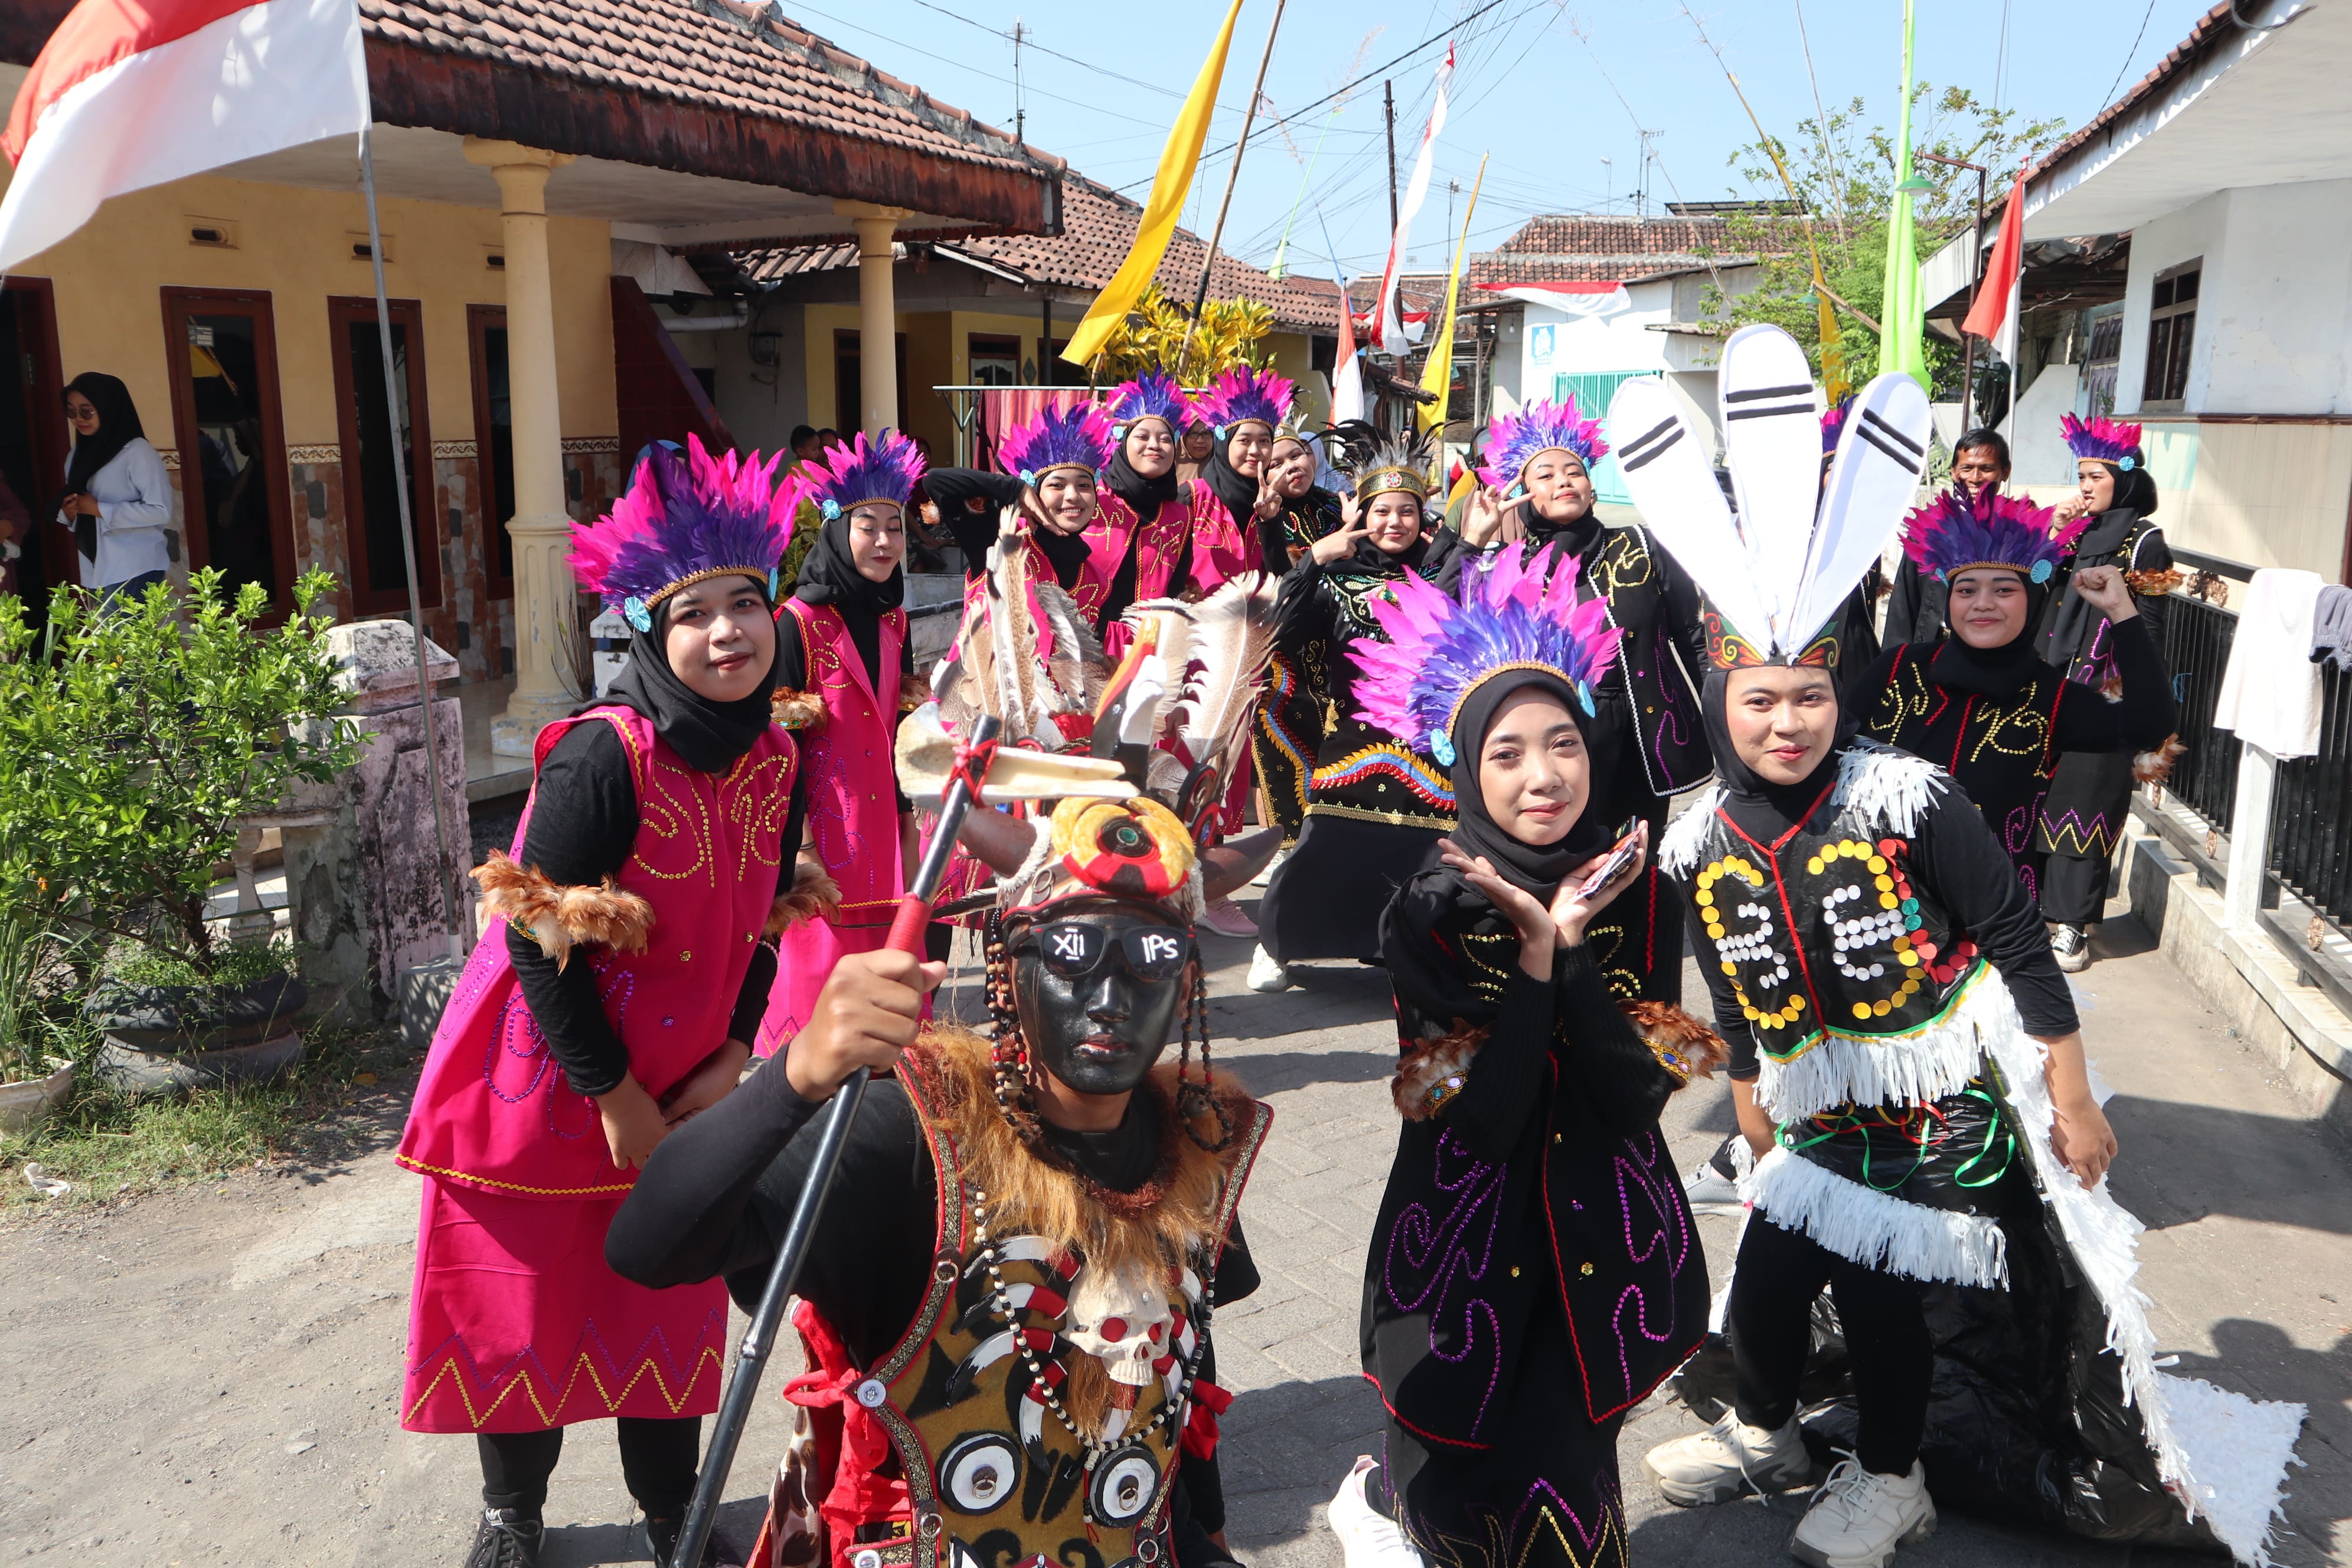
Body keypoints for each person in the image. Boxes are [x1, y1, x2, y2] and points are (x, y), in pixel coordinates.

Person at [1618, 335, 2300, 1568]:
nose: (1787, 720)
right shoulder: (1700, 832)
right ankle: (1772, 1429)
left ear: (1843, 694)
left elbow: (2015, 939)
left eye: (1810, 696)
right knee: (1766, 1285)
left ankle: (1890, 1479)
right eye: (1762, 698)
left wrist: (2075, 1094)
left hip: (1942, 1101)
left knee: (1884, 1292)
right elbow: (1731, 973)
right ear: (1724, 700)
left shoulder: (1912, 798)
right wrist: (1752, 1101)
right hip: (1818, 1097)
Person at [607, 710, 1274, 1568]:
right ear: (1007, 966)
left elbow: (1170, 1382)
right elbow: (648, 1245)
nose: (1111, 995)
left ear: (1188, 988)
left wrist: (1202, 1543)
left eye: (1149, 959)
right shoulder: (913, 1140)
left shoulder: (1195, 1146)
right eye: (1071, 951)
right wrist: (798, 1073)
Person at [396, 436, 811, 1568]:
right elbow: (534, 931)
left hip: (686, 1079)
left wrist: (732, 1051)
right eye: (693, 613)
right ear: (645, 628)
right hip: (549, 1071)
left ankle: (672, 1510)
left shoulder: (780, 753)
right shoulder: (600, 755)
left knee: (665, 1292)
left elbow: (766, 917)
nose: (726, 633)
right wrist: (614, 1094)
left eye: (745, 603)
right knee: (523, 1303)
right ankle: (512, 1515)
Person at [1326, 541, 1719, 1568]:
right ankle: (1382, 1501)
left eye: (1562, 745)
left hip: (1599, 1237)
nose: (1542, 777)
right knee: (1450, 1461)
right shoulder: (1430, 907)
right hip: (1464, 1242)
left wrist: (1569, 944)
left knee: (1566, 1480)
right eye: (1504, 754)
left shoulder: (1636, 889)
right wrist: (1536, 963)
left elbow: (1634, 1102)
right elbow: (1486, 1119)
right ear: (1462, 767)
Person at [1457, 395, 1711, 1001]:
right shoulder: (1508, 566)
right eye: (1544, 474)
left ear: (1593, 486)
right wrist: (1471, 541)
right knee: (1563, 855)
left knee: (1632, 859)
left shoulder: (1643, 548)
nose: (1563, 480)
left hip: (1643, 736)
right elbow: (1453, 622)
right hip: (1562, 743)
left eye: (1574, 470)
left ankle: (1632, 983)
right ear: (1523, 494)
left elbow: (1695, 637)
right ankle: (1560, 967)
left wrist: (1727, 720)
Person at [1850, 485, 2177, 903]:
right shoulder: (1898, 669)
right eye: (1966, 590)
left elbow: (2151, 727)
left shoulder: (2051, 698)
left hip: (1991, 924)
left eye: (2004, 590)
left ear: (2031, 600)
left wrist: (2121, 612)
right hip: (1871, 911)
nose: (1983, 603)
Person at [1250, 433, 1463, 991]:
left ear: (1424, 518)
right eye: (1383, 511)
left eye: (1408, 512)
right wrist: (1315, 560)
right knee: (1330, 845)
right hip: (1353, 738)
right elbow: (1280, 632)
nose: (1396, 523)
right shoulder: (1338, 580)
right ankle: (1276, 942)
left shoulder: (1439, 575)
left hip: (1425, 740)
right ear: (1363, 514)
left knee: (1420, 847)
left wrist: (1470, 541)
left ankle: (1396, 943)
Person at [756, 431, 928, 1056]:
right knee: (820, 962)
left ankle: (885, 1066)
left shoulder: (894, 619)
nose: (884, 541)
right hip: (821, 827)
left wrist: (911, 819)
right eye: (868, 527)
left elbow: (901, 726)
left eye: (895, 527)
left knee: (890, 948)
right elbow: (777, 750)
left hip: (886, 822)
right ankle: (805, 1077)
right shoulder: (794, 624)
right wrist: (798, 846)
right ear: (836, 530)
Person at [2035, 414, 2177, 972]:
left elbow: (2154, 622)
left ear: (2124, 478)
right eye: (2081, 476)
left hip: (2104, 692)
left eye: (2095, 476)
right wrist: (2053, 534)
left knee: (2087, 802)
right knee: (2041, 794)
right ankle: (2037, 911)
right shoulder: (2075, 534)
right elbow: (2034, 583)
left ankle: (2073, 924)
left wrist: (2131, 688)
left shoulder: (2146, 542)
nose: (2085, 487)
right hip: (2051, 684)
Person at [1250, 427, 1351, 858]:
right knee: (1280, 752)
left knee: (1332, 749)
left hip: (1335, 643)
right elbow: (1276, 580)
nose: (1293, 466)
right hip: (1283, 652)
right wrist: (1270, 524)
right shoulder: (1261, 513)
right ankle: (1283, 848)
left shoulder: (1336, 506)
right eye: (1277, 463)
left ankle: (1327, 845)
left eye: (1299, 455)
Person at [1884, 428, 2011, 645]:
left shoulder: (2018, 534)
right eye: (1967, 468)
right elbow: (1903, 608)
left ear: (2005, 472)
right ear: (1954, 472)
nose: (1975, 478)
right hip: (1932, 654)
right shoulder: (1928, 533)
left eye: (1986, 469)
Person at [54, 371, 172, 605]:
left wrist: (99, 509)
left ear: (108, 408)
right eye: (71, 411)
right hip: (96, 568)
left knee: (128, 642)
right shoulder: (77, 455)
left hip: (136, 567)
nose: (79, 419)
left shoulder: (137, 452)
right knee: (109, 642)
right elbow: (81, 514)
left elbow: (161, 511)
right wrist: (70, 513)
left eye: (87, 411)